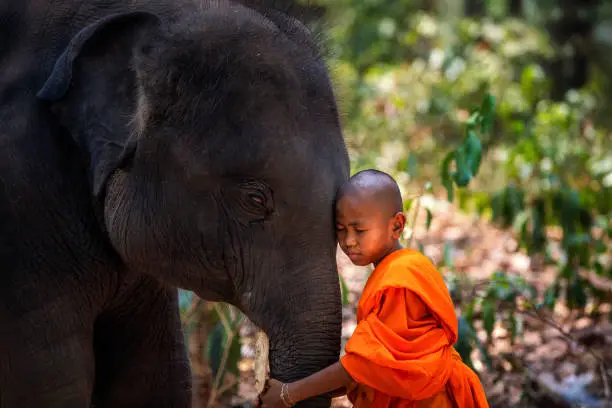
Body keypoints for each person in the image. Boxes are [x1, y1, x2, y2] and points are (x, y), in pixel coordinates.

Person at [257, 169, 489, 408]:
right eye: (340, 228)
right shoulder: (395, 268)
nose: (348, 240)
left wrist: (289, 393)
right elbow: (374, 371)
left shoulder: (400, 280)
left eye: (359, 230)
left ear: (397, 226)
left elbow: (366, 364)